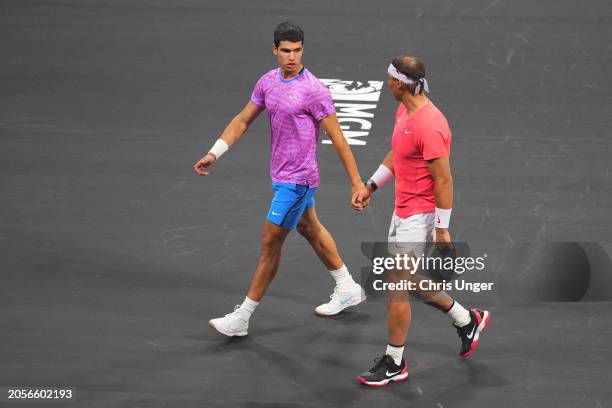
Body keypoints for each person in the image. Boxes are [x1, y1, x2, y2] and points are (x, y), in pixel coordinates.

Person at [193, 22, 366, 337]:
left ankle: (242, 317)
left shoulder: (314, 90)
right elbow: (243, 119)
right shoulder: (267, 82)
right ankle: (347, 287)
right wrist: (214, 152)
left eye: (297, 50)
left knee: (270, 244)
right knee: (310, 227)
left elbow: (339, 138)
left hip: (298, 180)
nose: (292, 56)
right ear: (275, 50)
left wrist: (357, 183)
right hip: (280, 174)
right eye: (286, 50)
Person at [352, 56, 491, 386]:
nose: (386, 84)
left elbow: (444, 180)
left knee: (396, 286)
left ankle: (394, 361)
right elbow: (398, 154)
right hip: (401, 210)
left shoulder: (430, 124)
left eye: (389, 79)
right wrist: (371, 185)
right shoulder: (404, 110)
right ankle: (466, 318)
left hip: (421, 216)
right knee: (409, 280)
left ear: (400, 83)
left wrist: (442, 227)